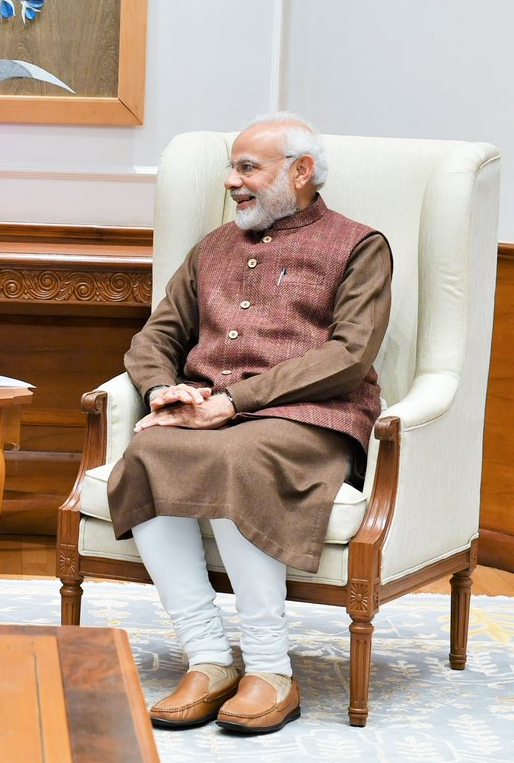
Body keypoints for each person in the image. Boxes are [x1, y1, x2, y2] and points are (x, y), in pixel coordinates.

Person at [107, 113, 392, 734]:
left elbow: (350, 355)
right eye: (231, 168)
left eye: (247, 168)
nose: (233, 182)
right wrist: (163, 391)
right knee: (147, 452)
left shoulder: (360, 245)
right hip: (211, 411)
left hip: (312, 415)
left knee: (237, 458)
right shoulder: (212, 247)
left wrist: (233, 404)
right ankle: (207, 657)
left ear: (301, 171)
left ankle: (271, 670)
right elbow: (156, 338)